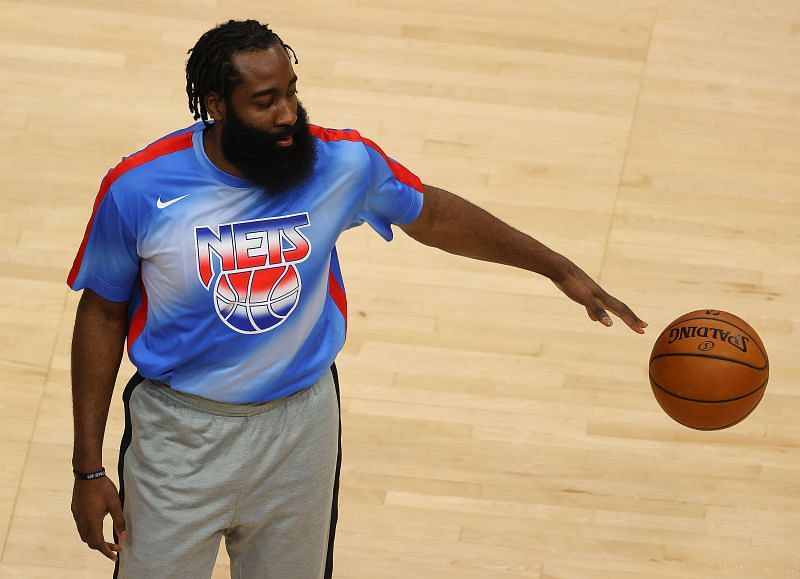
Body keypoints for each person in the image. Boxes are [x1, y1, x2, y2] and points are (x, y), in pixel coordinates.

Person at [67, 18, 648, 579]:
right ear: (216, 106)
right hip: (182, 433)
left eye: (292, 91)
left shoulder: (340, 163)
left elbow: (435, 213)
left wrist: (556, 269)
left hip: (301, 428)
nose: (288, 113)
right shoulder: (140, 189)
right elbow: (102, 312)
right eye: (265, 101)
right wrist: (88, 469)